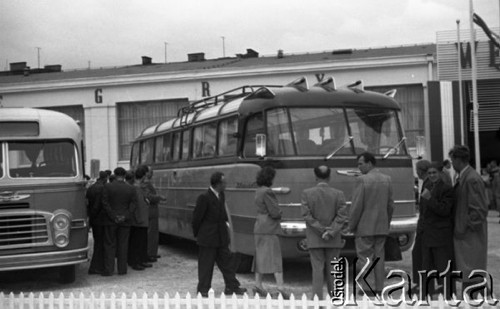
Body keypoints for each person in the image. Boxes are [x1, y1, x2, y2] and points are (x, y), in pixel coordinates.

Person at [192, 172, 246, 297]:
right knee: (206, 265)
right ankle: (203, 288)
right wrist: (199, 235)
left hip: (220, 237)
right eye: (224, 183)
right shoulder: (204, 197)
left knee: (227, 264)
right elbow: (196, 218)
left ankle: (232, 286)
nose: (226, 185)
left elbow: (223, 215)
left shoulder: (221, 195)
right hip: (208, 238)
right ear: (218, 184)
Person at [349, 152, 394, 297]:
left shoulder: (362, 180)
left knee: (365, 258)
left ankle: (368, 288)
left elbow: (357, 206)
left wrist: (351, 225)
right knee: (379, 257)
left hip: (364, 227)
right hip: (381, 227)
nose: (359, 167)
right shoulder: (387, 179)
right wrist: (386, 222)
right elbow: (390, 205)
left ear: (369, 163)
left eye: (360, 163)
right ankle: (380, 287)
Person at [301, 165, 348, 299]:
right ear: (330, 176)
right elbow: (342, 216)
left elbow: (307, 216)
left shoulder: (306, 193)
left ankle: (317, 300)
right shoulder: (339, 194)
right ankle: (335, 299)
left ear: (315, 176)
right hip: (333, 239)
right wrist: (331, 231)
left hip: (315, 238)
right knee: (334, 270)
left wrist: (321, 230)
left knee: (317, 270)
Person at [448, 145, 488, 297]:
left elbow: (478, 210)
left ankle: (473, 302)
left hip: (470, 236)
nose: (452, 164)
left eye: (453, 160)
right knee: (468, 272)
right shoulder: (466, 177)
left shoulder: (471, 179)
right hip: (467, 235)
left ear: (459, 160)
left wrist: (463, 227)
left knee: (471, 271)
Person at [252, 166, 289, 298]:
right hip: (269, 228)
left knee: (260, 257)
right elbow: (274, 212)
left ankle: (258, 284)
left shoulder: (258, 190)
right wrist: (280, 213)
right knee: (275, 258)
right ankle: (280, 287)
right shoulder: (268, 192)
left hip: (259, 226)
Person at [420, 162, 455, 299]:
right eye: (429, 173)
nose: (432, 175)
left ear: (440, 173)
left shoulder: (447, 189)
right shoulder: (426, 186)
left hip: (441, 236)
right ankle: (426, 297)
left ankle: (449, 296)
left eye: (434, 172)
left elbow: (444, 210)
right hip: (427, 235)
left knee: (444, 268)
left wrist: (430, 199)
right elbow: (423, 211)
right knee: (426, 268)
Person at [101, 167, 138, 276]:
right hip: (125, 221)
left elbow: (105, 203)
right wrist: (125, 216)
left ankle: (109, 269)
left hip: (110, 221)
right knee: (123, 245)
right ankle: (122, 269)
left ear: (114, 174)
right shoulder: (131, 189)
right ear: (125, 175)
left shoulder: (108, 186)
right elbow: (133, 205)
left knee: (110, 245)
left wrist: (114, 216)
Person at [412, 159, 431, 293]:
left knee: (420, 255)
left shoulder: (428, 184)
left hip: (426, 227)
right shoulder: (427, 183)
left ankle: (422, 284)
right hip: (425, 225)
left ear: (419, 171)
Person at [128, 165, 151, 271]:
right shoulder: (135, 189)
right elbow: (134, 206)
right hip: (138, 220)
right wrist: (137, 218)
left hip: (142, 219)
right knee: (136, 243)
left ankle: (140, 260)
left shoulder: (140, 188)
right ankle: (135, 261)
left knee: (141, 242)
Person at [141, 166, 166, 262]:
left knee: (153, 233)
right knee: (151, 233)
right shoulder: (145, 184)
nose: (152, 174)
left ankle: (152, 252)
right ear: (146, 173)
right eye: (150, 172)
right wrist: (159, 197)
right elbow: (149, 197)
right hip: (150, 211)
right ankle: (150, 253)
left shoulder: (147, 183)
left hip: (152, 211)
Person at [86, 171, 109, 275]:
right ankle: (96, 267)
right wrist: (94, 215)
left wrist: (90, 217)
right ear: (105, 178)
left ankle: (96, 266)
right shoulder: (102, 188)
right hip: (100, 219)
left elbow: (88, 203)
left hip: (94, 219)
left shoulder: (91, 188)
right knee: (100, 244)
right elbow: (98, 205)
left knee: (97, 243)